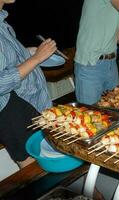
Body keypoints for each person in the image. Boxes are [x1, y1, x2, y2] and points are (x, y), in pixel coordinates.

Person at [0, 0, 57, 168]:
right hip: (11, 110)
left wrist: (29, 52)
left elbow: (5, 59)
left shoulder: (2, 21)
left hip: (27, 101)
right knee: (35, 171)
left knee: (46, 162)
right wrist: (36, 58)